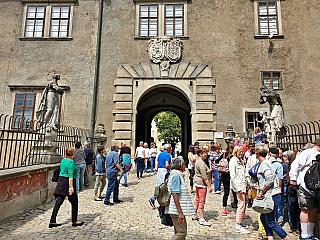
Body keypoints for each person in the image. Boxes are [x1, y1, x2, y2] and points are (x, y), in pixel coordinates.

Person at [255, 143, 291, 240]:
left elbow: (270, 179)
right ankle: (270, 238)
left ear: (257, 153)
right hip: (270, 194)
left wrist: (261, 192)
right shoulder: (265, 163)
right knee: (263, 218)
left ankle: (287, 238)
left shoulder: (265, 164)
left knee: (271, 221)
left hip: (271, 195)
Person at [289, 138, 320, 240]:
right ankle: (304, 234)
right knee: (305, 209)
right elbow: (295, 165)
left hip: (316, 188)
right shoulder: (308, 153)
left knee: (314, 209)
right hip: (304, 186)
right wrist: (293, 179)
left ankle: (310, 233)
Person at [49, 147, 83, 228]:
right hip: (68, 183)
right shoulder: (71, 162)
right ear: (73, 154)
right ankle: (74, 220)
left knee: (58, 202)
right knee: (74, 202)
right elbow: (70, 175)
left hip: (61, 182)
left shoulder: (63, 161)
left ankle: (52, 221)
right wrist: (71, 187)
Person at [166, 157, 195, 240]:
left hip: (176, 209)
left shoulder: (177, 175)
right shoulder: (176, 176)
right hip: (176, 210)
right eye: (183, 164)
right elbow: (175, 194)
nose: (185, 165)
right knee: (181, 233)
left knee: (179, 232)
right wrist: (180, 213)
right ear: (179, 166)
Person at [229, 145, 250, 234]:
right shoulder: (233, 161)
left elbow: (244, 173)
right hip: (239, 186)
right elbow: (233, 176)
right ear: (235, 152)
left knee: (243, 204)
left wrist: (247, 183)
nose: (241, 153)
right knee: (241, 204)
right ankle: (237, 224)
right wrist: (238, 188)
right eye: (239, 151)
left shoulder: (241, 160)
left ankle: (240, 222)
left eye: (242, 151)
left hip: (243, 185)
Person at [193, 148, 213, 226]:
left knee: (197, 199)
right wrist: (209, 186)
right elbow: (204, 176)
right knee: (202, 201)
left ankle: (194, 214)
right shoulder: (201, 163)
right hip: (201, 183)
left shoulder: (197, 160)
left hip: (197, 182)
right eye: (205, 153)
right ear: (200, 154)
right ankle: (201, 218)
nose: (206, 155)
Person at [149, 144, 172, 208]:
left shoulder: (160, 154)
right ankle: (160, 200)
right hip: (165, 172)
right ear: (168, 149)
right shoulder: (168, 155)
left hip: (159, 171)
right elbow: (167, 165)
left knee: (159, 186)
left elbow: (157, 163)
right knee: (166, 186)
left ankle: (154, 198)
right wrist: (171, 167)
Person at [218, 143, 234, 216]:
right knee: (234, 192)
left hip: (224, 175)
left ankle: (224, 207)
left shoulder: (224, 155)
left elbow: (216, 161)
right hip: (230, 175)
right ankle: (235, 205)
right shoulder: (233, 157)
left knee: (226, 193)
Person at [277, 150, 292, 225]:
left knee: (281, 203)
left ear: (285, 157)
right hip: (289, 186)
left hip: (283, 185)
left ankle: (280, 219)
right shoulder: (291, 165)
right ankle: (291, 220)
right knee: (289, 204)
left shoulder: (282, 165)